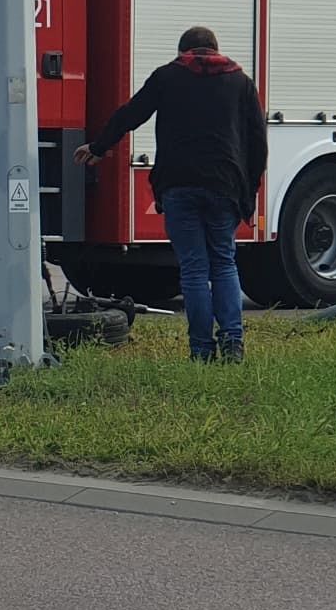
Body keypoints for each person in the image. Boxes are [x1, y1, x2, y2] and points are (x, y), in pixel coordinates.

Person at [73, 26, 267, 362]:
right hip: (225, 186)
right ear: (214, 49)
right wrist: (249, 192)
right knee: (223, 263)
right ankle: (233, 343)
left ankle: (201, 349)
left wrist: (100, 147)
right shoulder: (241, 82)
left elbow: (131, 114)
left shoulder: (167, 77)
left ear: (183, 51)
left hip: (179, 185)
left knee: (193, 268)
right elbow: (258, 143)